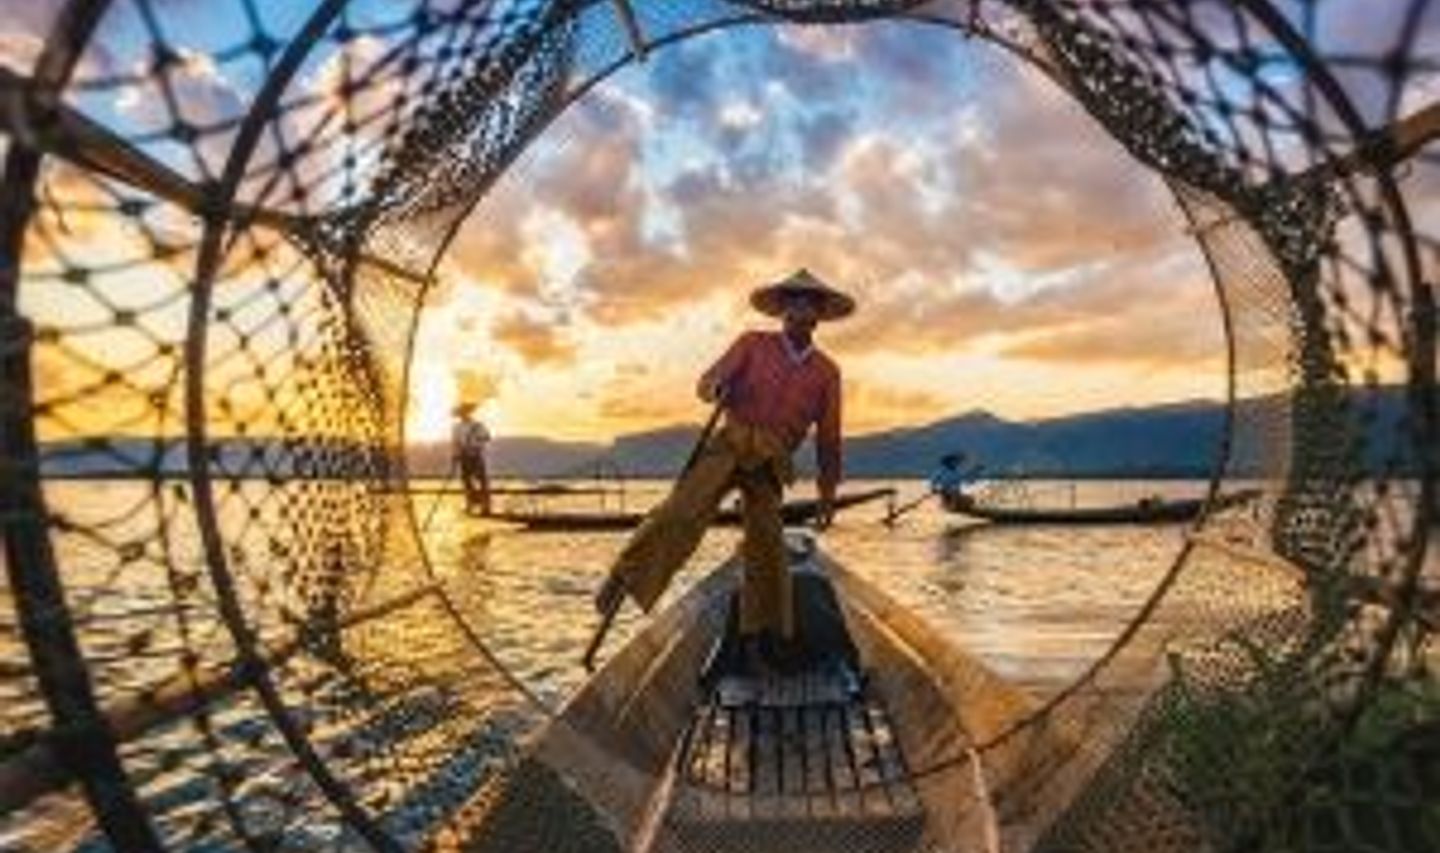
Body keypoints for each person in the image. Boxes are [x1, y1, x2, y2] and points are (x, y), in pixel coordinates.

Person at [593, 268, 852, 670]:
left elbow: (829, 440)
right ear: (782, 311)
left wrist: (827, 493)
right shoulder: (752, 344)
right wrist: (715, 387)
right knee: (682, 512)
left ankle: (763, 638)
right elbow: (707, 380)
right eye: (792, 303)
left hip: (770, 461)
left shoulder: (827, 372)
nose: (799, 310)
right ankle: (626, 572)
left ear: (818, 316)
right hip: (729, 444)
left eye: (808, 304)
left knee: (767, 547)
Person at [452, 402, 492, 515]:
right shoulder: (456, 428)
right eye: (461, 413)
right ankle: (470, 503)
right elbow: (455, 443)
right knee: (466, 481)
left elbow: (487, 437)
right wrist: (455, 455)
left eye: (465, 412)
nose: (463, 415)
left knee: (482, 481)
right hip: (464, 457)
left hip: (476, 455)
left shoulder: (478, 425)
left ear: (469, 413)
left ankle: (486, 506)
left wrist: (476, 443)